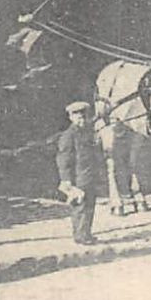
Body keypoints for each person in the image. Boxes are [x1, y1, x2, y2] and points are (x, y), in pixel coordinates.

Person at [56, 101, 106, 245]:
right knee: (80, 207)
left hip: (90, 175)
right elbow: (63, 159)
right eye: (78, 117)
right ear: (71, 117)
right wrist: (66, 180)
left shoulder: (88, 132)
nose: (82, 119)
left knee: (89, 206)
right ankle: (80, 236)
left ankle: (86, 234)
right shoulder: (68, 136)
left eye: (84, 116)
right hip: (78, 178)